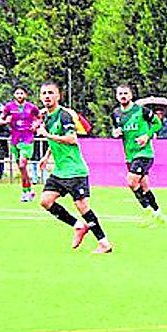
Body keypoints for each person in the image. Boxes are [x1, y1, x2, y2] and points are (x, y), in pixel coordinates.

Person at [35, 81, 112, 254]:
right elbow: (54, 140)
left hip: (75, 170)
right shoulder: (47, 117)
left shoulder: (64, 115)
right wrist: (46, 157)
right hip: (60, 171)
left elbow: (71, 139)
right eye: (44, 93)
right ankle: (78, 226)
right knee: (45, 201)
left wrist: (47, 134)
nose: (47, 96)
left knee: (83, 207)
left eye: (50, 93)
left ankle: (104, 243)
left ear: (58, 96)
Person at [111, 84, 166, 227]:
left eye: (125, 93)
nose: (123, 96)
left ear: (131, 95)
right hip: (129, 155)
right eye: (120, 94)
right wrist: (115, 133)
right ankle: (158, 214)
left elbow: (157, 123)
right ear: (117, 96)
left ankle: (146, 211)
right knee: (144, 186)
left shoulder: (141, 111)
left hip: (144, 153)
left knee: (131, 181)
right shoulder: (116, 114)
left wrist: (147, 136)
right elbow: (116, 129)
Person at [0, 85, 41, 201]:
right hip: (15, 139)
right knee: (21, 168)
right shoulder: (9, 107)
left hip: (27, 138)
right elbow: (0, 120)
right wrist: (5, 121)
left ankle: (26, 192)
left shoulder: (31, 107)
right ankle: (28, 190)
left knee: (23, 164)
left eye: (22, 93)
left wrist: (36, 125)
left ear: (26, 95)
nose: (19, 95)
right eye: (17, 93)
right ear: (14, 95)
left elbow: (39, 118)